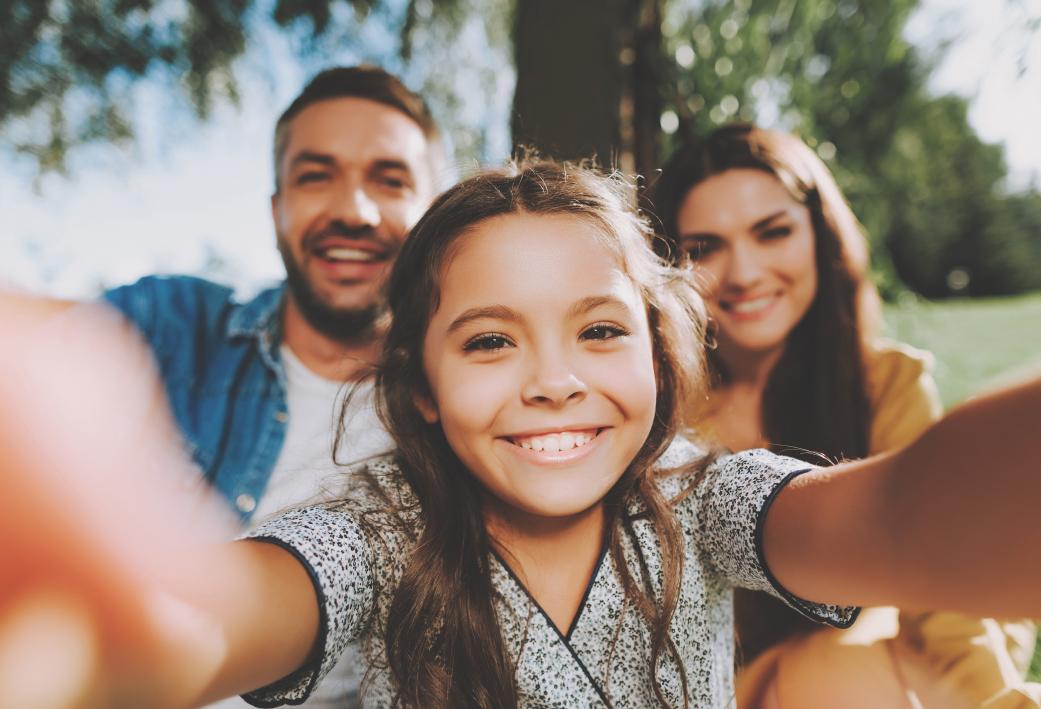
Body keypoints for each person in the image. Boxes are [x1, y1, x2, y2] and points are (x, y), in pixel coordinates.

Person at [1, 160, 1040, 709]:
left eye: (598, 330)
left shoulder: (705, 495)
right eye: (491, 341)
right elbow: (225, 615)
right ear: (418, 391)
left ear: (662, 356)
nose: (555, 382)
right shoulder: (376, 528)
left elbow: (894, 514)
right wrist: (120, 633)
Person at [10, 65, 444, 708]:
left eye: (389, 179)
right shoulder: (168, 327)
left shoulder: (469, 402)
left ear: (432, 214)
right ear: (277, 210)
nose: (354, 211)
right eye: (316, 175)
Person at [650, 123, 1039, 707]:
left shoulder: (883, 385)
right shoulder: (657, 413)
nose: (745, 273)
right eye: (704, 248)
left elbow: (942, 599)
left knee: (847, 655)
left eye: (772, 232)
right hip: (729, 687)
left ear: (820, 236)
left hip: (879, 668)